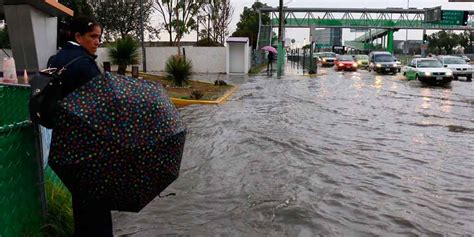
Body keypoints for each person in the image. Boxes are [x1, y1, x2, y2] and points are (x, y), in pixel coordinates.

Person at [47, 16, 111, 236]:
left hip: (65, 148)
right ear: (78, 36)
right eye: (93, 36)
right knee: (97, 215)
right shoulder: (84, 64)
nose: (97, 42)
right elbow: (102, 108)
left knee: (81, 210)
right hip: (88, 151)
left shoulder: (56, 59)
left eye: (99, 37)